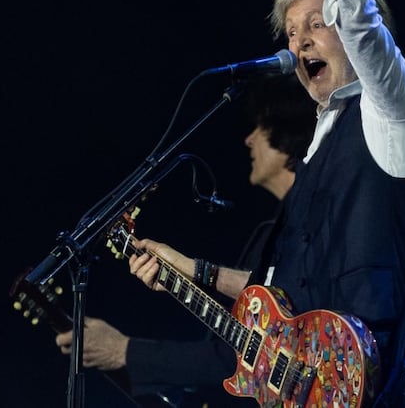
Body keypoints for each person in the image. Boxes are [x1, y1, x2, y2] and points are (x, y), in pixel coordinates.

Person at [124, 0, 405, 407]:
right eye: (291, 34)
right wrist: (189, 271)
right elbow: (282, 295)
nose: (300, 43)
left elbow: (358, 8)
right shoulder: (318, 149)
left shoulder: (396, 112)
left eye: (315, 25)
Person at [54, 74, 316, 407]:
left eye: (260, 127)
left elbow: (225, 359)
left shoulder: (314, 216)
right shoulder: (268, 233)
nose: (248, 140)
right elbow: (242, 339)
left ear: (289, 134)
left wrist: (125, 350)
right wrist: (177, 276)